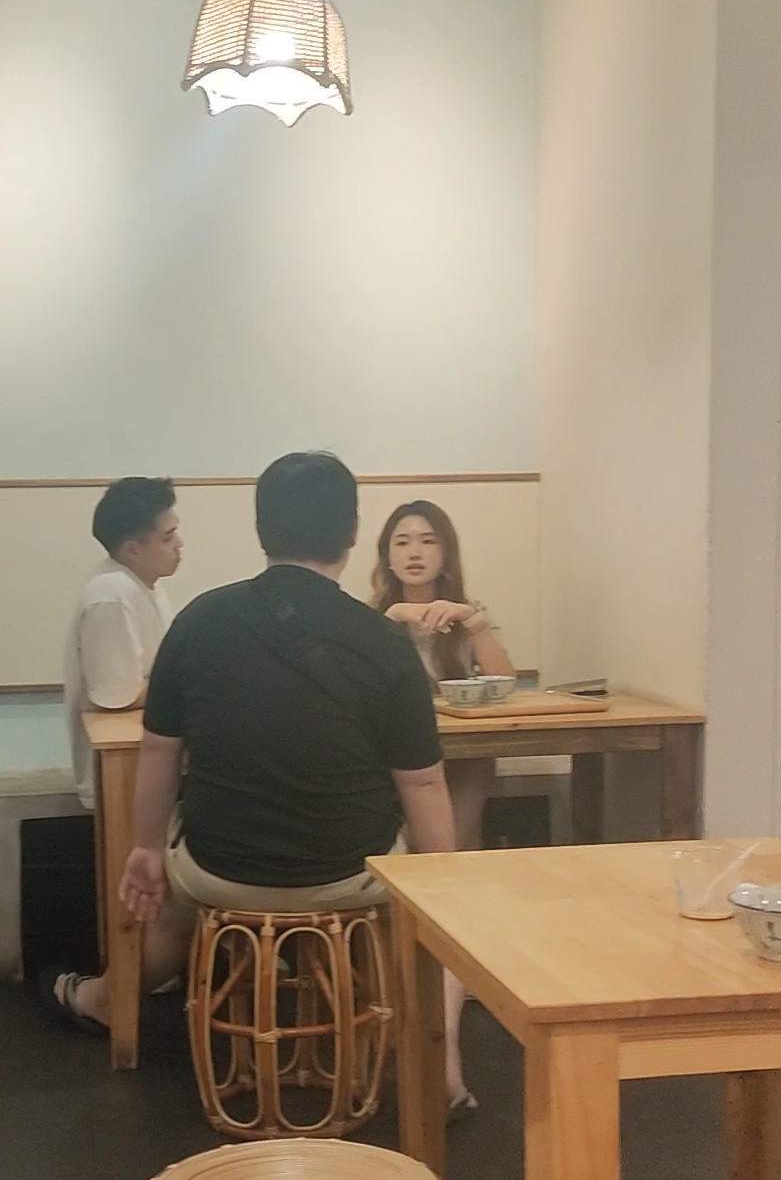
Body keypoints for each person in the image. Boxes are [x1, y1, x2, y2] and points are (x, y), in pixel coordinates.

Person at [50, 452, 475, 1116]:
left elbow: (158, 752)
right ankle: (440, 1069)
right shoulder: (382, 641)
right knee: (439, 913)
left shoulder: (200, 621)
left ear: (260, 530)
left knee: (173, 886)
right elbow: (421, 785)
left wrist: (144, 848)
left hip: (218, 871)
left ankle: (108, 1003)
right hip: (349, 872)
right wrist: (442, 884)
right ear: (352, 532)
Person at [373, 500, 517, 1116]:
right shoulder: (370, 620)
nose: (414, 551)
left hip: (454, 771)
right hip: (387, 780)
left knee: (475, 767)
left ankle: (447, 875)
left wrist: (474, 623)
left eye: (428, 540)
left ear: (446, 553)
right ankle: (444, 886)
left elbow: (505, 686)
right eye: (402, 541)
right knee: (440, 875)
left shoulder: (464, 617)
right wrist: (389, 620)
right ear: (385, 556)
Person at [62, 477, 182, 810]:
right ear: (133, 550)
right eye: (168, 537)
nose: (180, 544)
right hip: (122, 773)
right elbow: (116, 697)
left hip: (146, 762)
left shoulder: (144, 585)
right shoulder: (112, 594)